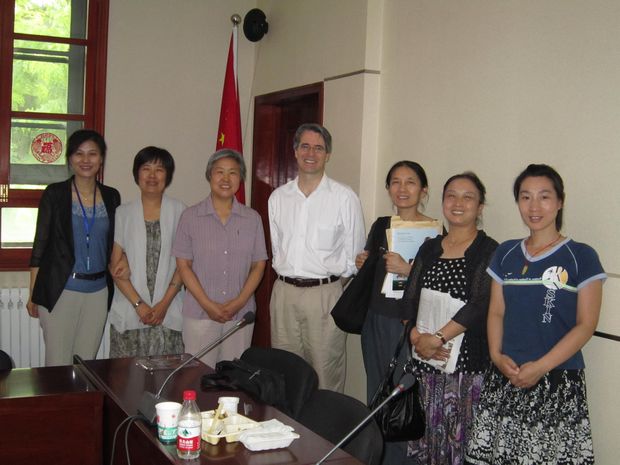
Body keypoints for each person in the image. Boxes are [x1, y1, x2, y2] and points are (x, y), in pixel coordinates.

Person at [466, 164, 605, 465]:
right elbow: (496, 312)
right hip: (506, 374)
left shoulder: (581, 256)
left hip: (557, 379)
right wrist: (496, 357)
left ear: (560, 201)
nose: (534, 206)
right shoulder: (505, 252)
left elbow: (586, 325)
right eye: (525, 197)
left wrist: (540, 367)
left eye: (544, 196)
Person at [401, 172, 498, 465]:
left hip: (466, 368)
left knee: (460, 445)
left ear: (480, 207)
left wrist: (437, 338)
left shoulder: (488, 249)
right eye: (451, 196)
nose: (458, 203)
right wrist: (416, 337)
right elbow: (409, 298)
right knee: (429, 442)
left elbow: (479, 304)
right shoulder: (430, 247)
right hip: (426, 362)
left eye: (468, 197)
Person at [268, 123, 366, 392]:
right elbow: (278, 249)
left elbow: (355, 255)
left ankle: (325, 421)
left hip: (325, 295)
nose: (311, 153)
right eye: (305, 146)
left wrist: (331, 287)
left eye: (318, 148)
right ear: (295, 151)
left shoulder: (344, 197)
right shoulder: (278, 197)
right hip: (284, 294)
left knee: (325, 372)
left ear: (328, 155)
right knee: (285, 372)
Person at [356, 161, 434, 464]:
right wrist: (363, 263)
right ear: (388, 188)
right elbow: (371, 271)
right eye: (396, 182)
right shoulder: (381, 225)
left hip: (408, 323)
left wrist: (408, 269)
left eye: (410, 182)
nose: (402, 188)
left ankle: (404, 459)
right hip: (376, 318)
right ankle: (378, 455)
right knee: (377, 390)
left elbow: (438, 282)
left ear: (423, 190)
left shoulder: (435, 233)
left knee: (404, 393)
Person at [27, 129, 121, 366]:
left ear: (101, 159)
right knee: (57, 364)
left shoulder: (112, 196)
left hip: (98, 292)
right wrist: (33, 294)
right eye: (79, 153)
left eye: (92, 153)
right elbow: (40, 245)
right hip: (61, 289)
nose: (85, 160)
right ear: (70, 158)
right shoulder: (55, 194)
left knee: (86, 365)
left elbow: (115, 242)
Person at [172, 149, 267, 368]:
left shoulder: (252, 219)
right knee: (198, 377)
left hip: (240, 316)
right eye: (219, 172)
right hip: (199, 314)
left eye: (233, 173)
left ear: (240, 178)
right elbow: (184, 266)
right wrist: (208, 305)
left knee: (234, 378)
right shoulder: (190, 217)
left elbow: (258, 265)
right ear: (209, 175)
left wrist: (238, 302)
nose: (226, 178)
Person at [108, 147, 186, 358]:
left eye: (159, 169)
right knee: (126, 375)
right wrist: (139, 305)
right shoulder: (123, 213)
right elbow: (116, 267)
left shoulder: (180, 211)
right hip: (130, 308)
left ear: (167, 176)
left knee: (167, 375)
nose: (152, 175)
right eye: (146, 169)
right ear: (137, 174)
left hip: (168, 310)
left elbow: (183, 265)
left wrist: (163, 305)